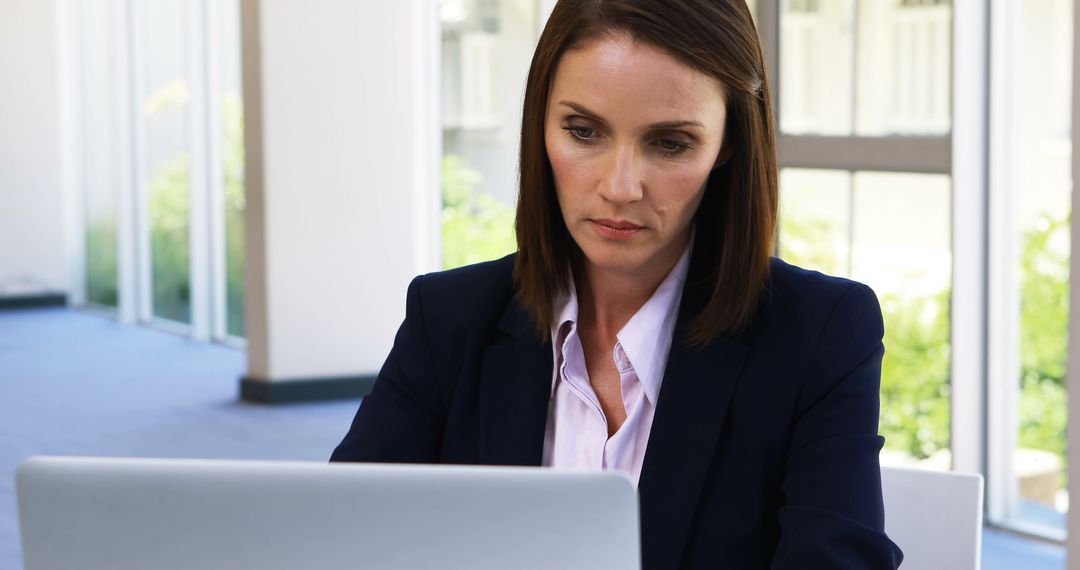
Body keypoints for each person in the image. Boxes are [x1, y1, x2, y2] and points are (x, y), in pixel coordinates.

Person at [331, 0, 903, 567]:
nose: (620, 186)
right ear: (541, 126)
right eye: (584, 132)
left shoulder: (821, 334)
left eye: (670, 143)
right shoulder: (448, 318)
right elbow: (333, 537)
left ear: (728, 143)